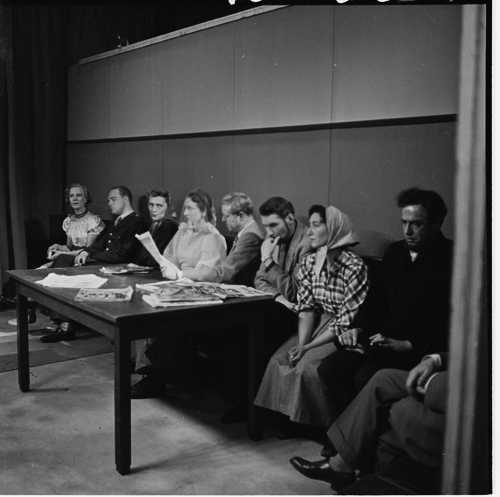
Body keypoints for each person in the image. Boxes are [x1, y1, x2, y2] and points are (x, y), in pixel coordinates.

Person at [317, 187, 453, 456]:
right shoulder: (395, 252)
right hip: (380, 342)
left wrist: (409, 344)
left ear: (437, 223)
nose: (407, 231)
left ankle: (353, 451)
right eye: (404, 223)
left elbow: (449, 322)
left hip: (415, 350)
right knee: (331, 368)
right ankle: (345, 440)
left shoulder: (452, 258)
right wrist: (357, 328)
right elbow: (375, 301)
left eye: (416, 224)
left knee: (365, 377)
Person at [254, 205, 369, 432]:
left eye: (316, 226)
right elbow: (306, 308)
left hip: (340, 329)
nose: (309, 231)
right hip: (316, 321)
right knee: (281, 359)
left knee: (306, 366)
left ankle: (312, 425)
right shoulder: (309, 263)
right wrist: (301, 343)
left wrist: (308, 348)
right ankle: (286, 417)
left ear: (333, 230)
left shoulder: (355, 267)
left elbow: (345, 320)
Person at [289, 353, 449, 492]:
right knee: (382, 378)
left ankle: (341, 468)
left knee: (393, 410)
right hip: (447, 379)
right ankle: (345, 466)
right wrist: (435, 359)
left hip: (453, 393)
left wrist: (432, 382)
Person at [131, 188, 227, 398]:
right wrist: (169, 267)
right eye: (185, 209)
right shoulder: (183, 232)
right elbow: (169, 256)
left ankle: (156, 377)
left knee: (165, 317)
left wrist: (179, 274)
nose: (186, 213)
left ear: (204, 212)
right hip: (180, 286)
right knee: (145, 302)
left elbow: (205, 274)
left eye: (191, 209)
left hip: (204, 295)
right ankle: (149, 367)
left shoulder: (213, 238)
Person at [39, 185, 146, 343]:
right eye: (108, 200)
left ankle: (65, 326)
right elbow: (101, 243)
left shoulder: (136, 222)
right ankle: (63, 323)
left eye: (113, 199)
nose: (109, 203)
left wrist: (91, 254)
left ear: (125, 199)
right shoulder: (117, 221)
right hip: (103, 261)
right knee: (62, 260)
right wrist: (87, 252)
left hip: (117, 266)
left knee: (64, 263)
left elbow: (123, 254)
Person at [7, 183, 105, 327]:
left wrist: (62, 253)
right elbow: (69, 247)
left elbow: (88, 250)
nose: (74, 199)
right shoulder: (69, 221)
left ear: (86, 199)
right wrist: (58, 247)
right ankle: (29, 310)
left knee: (48, 274)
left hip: (83, 260)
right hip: (69, 256)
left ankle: (34, 310)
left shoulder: (93, 221)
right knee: (38, 272)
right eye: (71, 196)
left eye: (79, 195)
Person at [161, 192, 264, 285]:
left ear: (241, 216)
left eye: (227, 216)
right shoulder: (246, 234)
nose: (223, 219)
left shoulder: (250, 237)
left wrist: (179, 274)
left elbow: (224, 271)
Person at [254, 196, 313, 306]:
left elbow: (294, 293)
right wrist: (278, 297)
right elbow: (259, 280)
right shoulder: (274, 237)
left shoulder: (307, 243)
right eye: (265, 226)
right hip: (280, 304)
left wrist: (268, 259)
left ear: (290, 219)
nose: (269, 232)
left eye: (273, 225)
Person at [132, 188, 178, 267]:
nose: (153, 210)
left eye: (159, 206)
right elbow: (141, 254)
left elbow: (159, 259)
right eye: (151, 205)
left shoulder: (169, 226)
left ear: (168, 207)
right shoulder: (155, 225)